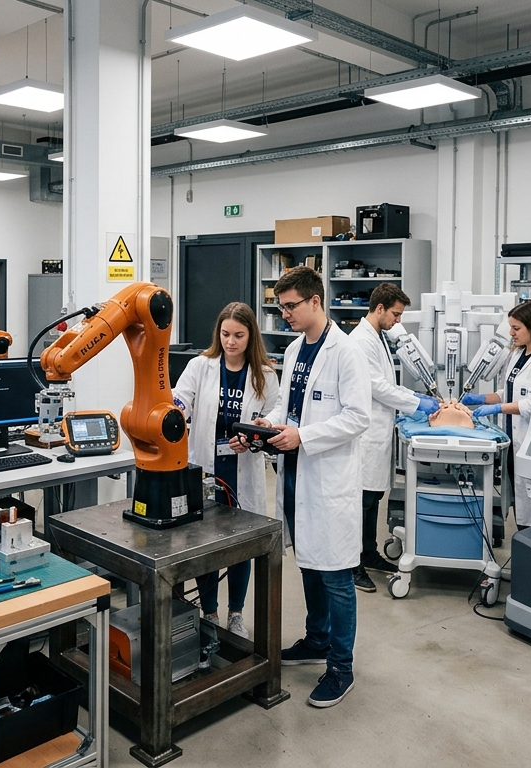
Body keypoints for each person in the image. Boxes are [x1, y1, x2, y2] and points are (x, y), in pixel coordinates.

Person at [250, 266, 370, 708]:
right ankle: (316, 639)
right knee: (308, 564)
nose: (284, 315)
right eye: (281, 307)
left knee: (336, 575)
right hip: (297, 475)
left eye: (290, 306)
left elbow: (359, 417)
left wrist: (304, 436)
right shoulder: (298, 347)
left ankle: (341, 666)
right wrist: (271, 423)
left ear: (315, 301)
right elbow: (289, 402)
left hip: (328, 476)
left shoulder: (346, 351)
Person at [172, 302, 282, 640]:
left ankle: (236, 612)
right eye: (225, 334)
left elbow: (275, 412)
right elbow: (180, 398)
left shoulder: (264, 373)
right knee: (206, 546)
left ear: (251, 337)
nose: (231, 342)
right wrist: (173, 408)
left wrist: (259, 429)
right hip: (206, 469)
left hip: (242, 471)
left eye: (238, 335)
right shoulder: (201, 366)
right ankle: (210, 612)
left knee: (239, 548)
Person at [347, 283, 439, 591]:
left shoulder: (378, 337)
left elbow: (388, 382)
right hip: (366, 434)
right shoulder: (360, 341)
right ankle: (352, 565)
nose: (398, 321)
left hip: (379, 430)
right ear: (380, 308)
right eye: (396, 314)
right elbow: (376, 386)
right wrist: (416, 403)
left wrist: (414, 395)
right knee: (361, 501)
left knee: (372, 500)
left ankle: (369, 553)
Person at [461, 302, 531, 528]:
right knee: (519, 502)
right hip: (510, 442)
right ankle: (524, 548)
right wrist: (481, 399)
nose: (511, 333)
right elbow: (507, 392)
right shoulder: (516, 354)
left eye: (516, 328)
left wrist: (497, 408)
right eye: (511, 327)